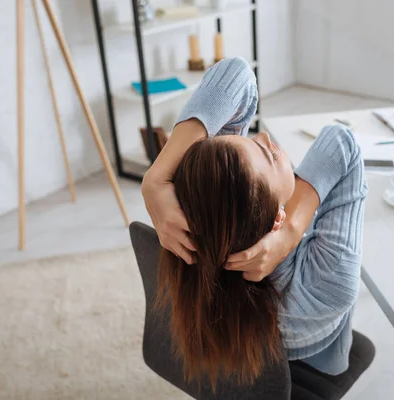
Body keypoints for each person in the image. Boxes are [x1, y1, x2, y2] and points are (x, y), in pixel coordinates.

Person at [142, 57, 368, 387]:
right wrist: (291, 230)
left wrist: (158, 174)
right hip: (313, 360)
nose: (263, 135)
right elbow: (342, 141)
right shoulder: (327, 277)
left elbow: (236, 73)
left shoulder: (201, 218)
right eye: (269, 155)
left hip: (223, 349)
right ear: (277, 217)